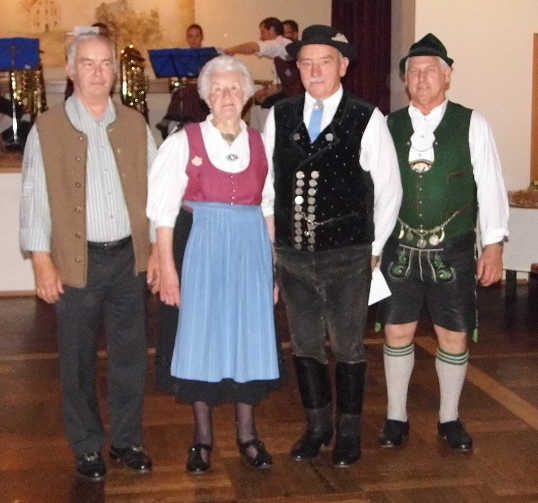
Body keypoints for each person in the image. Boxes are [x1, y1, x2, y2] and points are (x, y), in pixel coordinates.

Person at [20, 32, 157, 481]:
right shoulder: (47, 128)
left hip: (128, 259)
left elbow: (158, 193)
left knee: (130, 356)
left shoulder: (136, 124)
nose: (98, 72)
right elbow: (35, 198)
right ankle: (86, 446)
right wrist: (42, 260)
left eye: (105, 63)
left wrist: (157, 250)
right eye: (88, 63)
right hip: (77, 262)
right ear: (71, 70)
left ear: (114, 71)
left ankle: (127, 440)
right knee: (77, 360)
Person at [263, 24, 402, 467]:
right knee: (305, 345)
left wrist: (375, 245)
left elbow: (389, 188)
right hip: (293, 255)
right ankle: (317, 427)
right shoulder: (279, 115)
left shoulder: (366, 116)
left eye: (324, 62)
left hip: (348, 253)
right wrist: (272, 238)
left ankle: (348, 432)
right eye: (306, 63)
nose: (314, 70)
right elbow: (268, 182)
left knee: (348, 347)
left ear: (342, 66)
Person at [147, 55, 282, 474]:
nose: (227, 96)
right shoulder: (182, 142)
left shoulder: (260, 143)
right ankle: (202, 438)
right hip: (201, 246)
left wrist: (273, 269)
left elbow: (268, 208)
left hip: (250, 249)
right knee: (200, 337)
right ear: (205, 96)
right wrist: (168, 268)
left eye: (234, 88)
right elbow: (163, 212)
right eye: (218, 89)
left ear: (247, 96)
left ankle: (248, 435)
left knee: (247, 338)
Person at [377, 33, 509, 452]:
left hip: (453, 249)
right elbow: (375, 189)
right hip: (398, 248)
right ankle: (395, 418)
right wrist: (372, 246)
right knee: (397, 331)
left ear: (447, 76)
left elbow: (490, 185)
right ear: (404, 80)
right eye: (413, 71)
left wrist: (493, 244)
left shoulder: (472, 123)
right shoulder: (388, 125)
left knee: (454, 335)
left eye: (430, 70)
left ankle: (449, 418)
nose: (421, 78)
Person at [224, 17, 303, 111]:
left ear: (271, 30)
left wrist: (231, 50)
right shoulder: (277, 55)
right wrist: (264, 92)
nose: (261, 37)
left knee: (266, 105)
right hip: (290, 95)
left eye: (262, 32)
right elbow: (278, 85)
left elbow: (254, 47)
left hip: (299, 98)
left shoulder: (281, 44)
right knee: (261, 101)